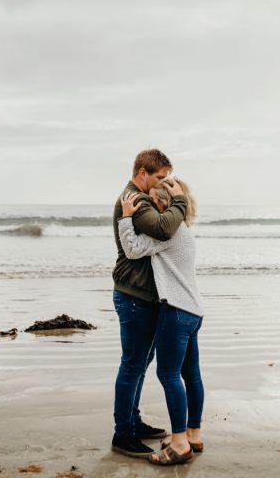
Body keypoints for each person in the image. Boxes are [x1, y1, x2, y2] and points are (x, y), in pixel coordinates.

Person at [118, 178, 204, 466]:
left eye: (154, 202)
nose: (152, 209)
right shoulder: (185, 230)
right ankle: (193, 434)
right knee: (191, 374)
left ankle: (179, 444)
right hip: (194, 311)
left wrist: (128, 218)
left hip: (176, 311)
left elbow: (132, 249)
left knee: (168, 376)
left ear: (162, 203)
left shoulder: (166, 233)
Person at [111, 149, 187, 458]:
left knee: (140, 364)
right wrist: (181, 201)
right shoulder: (136, 201)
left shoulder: (140, 198)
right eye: (160, 177)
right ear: (143, 173)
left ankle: (134, 421)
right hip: (134, 296)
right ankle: (123, 434)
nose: (165, 184)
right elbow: (164, 228)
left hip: (145, 295)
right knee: (132, 365)